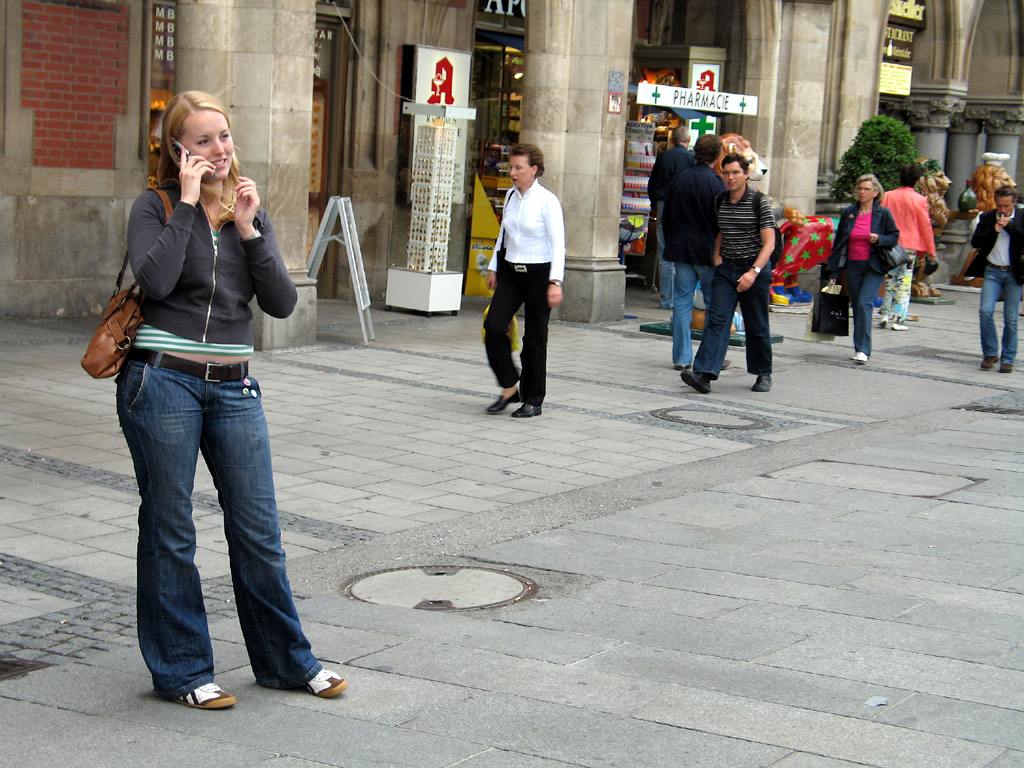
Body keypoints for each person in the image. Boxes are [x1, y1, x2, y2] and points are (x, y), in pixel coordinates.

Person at [119, 91, 347, 709]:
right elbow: (156, 281)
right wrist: (189, 207)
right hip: (162, 381)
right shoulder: (155, 206)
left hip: (235, 388)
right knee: (170, 529)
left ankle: (284, 661)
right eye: (202, 140)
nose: (218, 150)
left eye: (223, 136)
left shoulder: (252, 211)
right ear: (176, 151)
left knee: (258, 529)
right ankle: (184, 670)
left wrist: (248, 230)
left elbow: (280, 303)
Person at [679, 152, 775, 394]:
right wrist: (717, 255)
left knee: (756, 324)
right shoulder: (720, 200)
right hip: (726, 269)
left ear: (745, 175)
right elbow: (723, 229)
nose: (731, 178)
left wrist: (753, 272)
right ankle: (704, 374)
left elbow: (770, 243)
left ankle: (763, 372)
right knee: (717, 319)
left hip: (753, 269)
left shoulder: (759, 201)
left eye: (735, 173)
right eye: (726, 173)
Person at [483, 143, 565, 418]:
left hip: (539, 275)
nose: (512, 172)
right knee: (493, 326)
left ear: (534, 170)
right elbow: (502, 237)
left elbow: (558, 245)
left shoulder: (547, 201)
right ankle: (509, 386)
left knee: (534, 339)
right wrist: (494, 267)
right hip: (510, 271)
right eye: (511, 166)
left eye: (519, 167)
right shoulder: (510, 197)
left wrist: (555, 282)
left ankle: (533, 399)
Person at [662, 134, 725, 370]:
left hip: (682, 248)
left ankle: (681, 356)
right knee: (712, 303)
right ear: (718, 155)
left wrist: (671, 242)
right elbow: (721, 221)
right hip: (708, 251)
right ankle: (707, 356)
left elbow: (667, 217)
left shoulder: (680, 179)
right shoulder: (716, 183)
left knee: (682, 302)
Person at [826, 173, 900, 364]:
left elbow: (894, 236)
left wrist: (879, 238)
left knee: (865, 303)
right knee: (857, 305)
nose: (862, 192)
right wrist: (833, 271)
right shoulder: (849, 213)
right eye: (859, 188)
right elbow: (839, 242)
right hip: (853, 265)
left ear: (876, 192)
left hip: (874, 265)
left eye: (867, 189)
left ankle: (863, 349)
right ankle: (859, 346)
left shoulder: (882, 214)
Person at [967, 186, 1023, 372]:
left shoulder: (1022, 217)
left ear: (1014, 202)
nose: (1003, 210)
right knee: (985, 311)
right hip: (993, 270)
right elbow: (976, 242)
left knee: (1011, 317)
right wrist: (994, 230)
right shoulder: (988, 217)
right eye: (999, 206)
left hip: (1014, 272)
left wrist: (1011, 227)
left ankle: (1008, 358)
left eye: (1006, 206)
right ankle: (990, 353)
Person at [880, 165, 935, 331]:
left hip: (890, 244)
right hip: (910, 246)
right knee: (904, 281)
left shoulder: (888, 196)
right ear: (916, 181)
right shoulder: (919, 200)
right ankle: (899, 317)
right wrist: (931, 250)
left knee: (890, 279)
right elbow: (925, 226)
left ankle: (885, 313)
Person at [648, 125, 695, 309]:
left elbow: (652, 183)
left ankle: (666, 298)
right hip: (685, 207)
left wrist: (654, 203)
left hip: (664, 204)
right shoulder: (692, 159)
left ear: (672, 140)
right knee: (681, 252)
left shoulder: (663, 157)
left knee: (664, 251)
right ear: (688, 140)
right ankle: (680, 297)